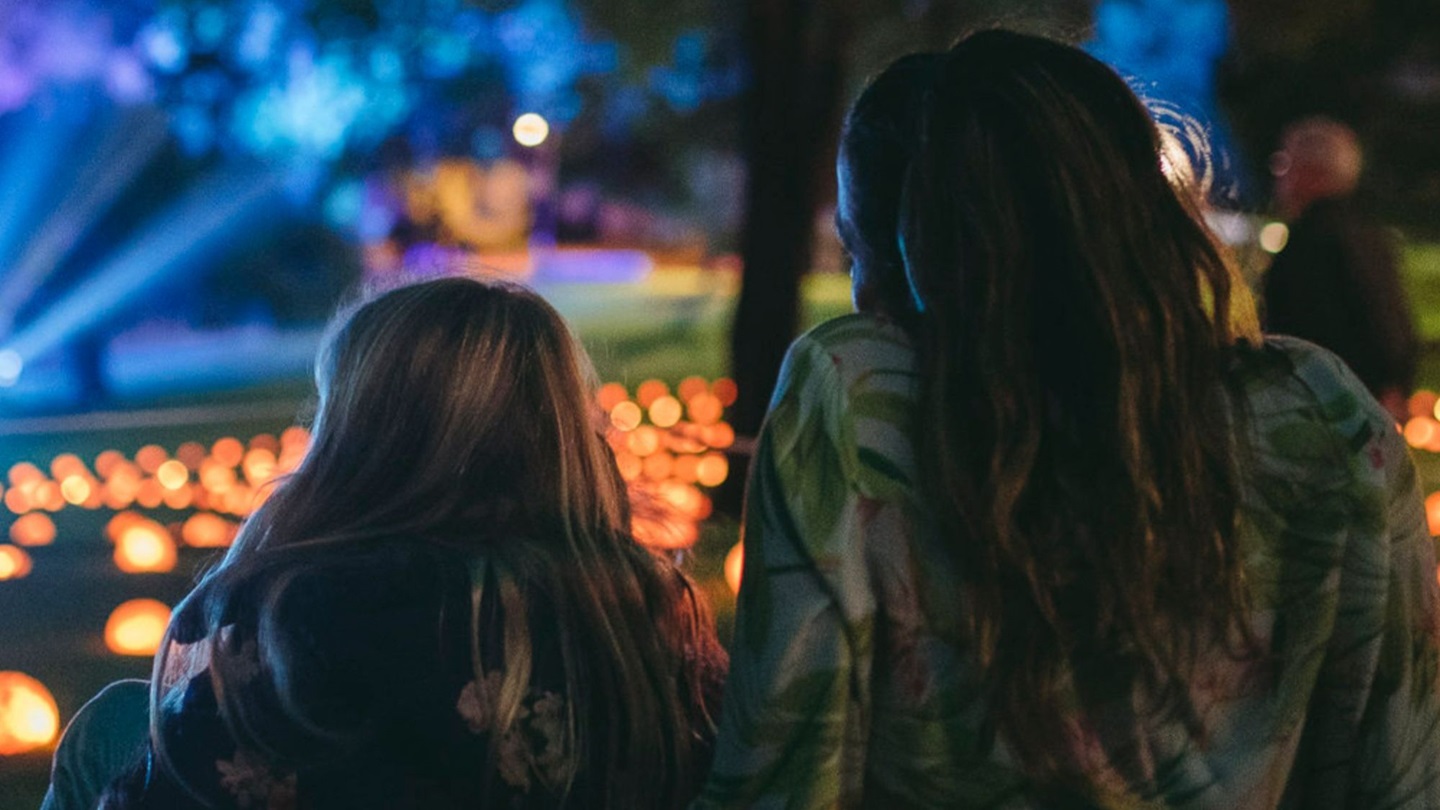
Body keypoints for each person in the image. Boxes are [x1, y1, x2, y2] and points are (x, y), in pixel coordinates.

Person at [695, 29, 1440, 808]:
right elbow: (1400, 769)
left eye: (860, 257)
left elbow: (785, 780)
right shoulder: (1325, 413)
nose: (861, 296)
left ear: (922, 255)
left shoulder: (858, 397)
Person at [47, 277, 725, 810]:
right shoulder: (646, 616)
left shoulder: (309, 615)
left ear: (359, 445)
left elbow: (178, 785)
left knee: (112, 725)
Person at [1263, 116, 1418, 422]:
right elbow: (1391, 322)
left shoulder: (1311, 242)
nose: (1279, 175)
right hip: (1368, 404)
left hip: (1326, 407)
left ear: (1313, 173)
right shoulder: (1367, 233)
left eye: (1285, 163)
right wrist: (1394, 384)